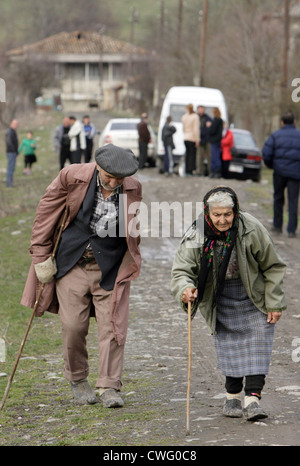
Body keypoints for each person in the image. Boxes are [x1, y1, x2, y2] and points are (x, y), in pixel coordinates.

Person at [21, 144, 142, 408]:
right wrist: (41, 256)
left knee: (113, 327)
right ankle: (77, 379)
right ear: (98, 166)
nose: (113, 183)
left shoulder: (132, 187)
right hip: (72, 262)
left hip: (110, 266)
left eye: (118, 179)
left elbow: (133, 228)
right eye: (108, 176)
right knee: (74, 326)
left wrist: (130, 259)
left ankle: (109, 386)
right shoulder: (72, 177)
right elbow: (45, 213)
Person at [171, 186, 286, 421]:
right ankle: (232, 395)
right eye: (217, 215)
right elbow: (183, 269)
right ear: (207, 213)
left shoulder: (250, 228)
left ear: (235, 212)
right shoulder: (198, 233)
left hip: (253, 293)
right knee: (229, 345)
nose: (223, 220)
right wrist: (185, 289)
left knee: (258, 341)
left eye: (228, 214)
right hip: (219, 295)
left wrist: (274, 302)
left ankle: (253, 400)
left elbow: (272, 266)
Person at [262, 111, 300, 238]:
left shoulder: (275, 135)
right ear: (294, 122)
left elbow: (266, 153)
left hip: (279, 173)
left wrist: (272, 166)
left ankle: (277, 226)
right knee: (293, 201)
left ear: (282, 122)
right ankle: (291, 230)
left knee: (278, 198)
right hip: (295, 173)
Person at [182, 104, 200, 176]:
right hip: (192, 138)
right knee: (192, 155)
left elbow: (183, 128)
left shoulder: (184, 117)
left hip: (186, 137)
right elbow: (196, 129)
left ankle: (186, 170)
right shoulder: (195, 117)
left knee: (187, 154)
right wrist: (197, 140)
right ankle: (190, 170)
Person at [207, 108, 223, 178]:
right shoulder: (220, 121)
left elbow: (212, 131)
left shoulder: (215, 121)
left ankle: (215, 172)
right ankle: (216, 172)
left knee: (214, 157)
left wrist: (209, 126)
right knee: (216, 156)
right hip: (218, 141)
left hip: (214, 141)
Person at [196, 105, 212, 176]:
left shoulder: (208, 118)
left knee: (209, 156)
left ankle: (210, 171)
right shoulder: (196, 117)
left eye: (202, 109)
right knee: (199, 156)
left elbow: (210, 127)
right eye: (200, 109)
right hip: (199, 139)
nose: (201, 111)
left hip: (207, 139)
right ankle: (200, 171)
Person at [5, 119, 19, 187]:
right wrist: (14, 151)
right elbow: (9, 143)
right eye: (14, 124)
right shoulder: (9, 132)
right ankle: (9, 183)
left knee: (12, 168)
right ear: (11, 124)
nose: (16, 125)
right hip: (11, 152)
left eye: (17, 124)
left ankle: (10, 182)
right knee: (10, 168)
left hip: (13, 152)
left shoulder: (13, 131)